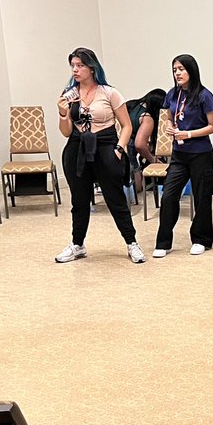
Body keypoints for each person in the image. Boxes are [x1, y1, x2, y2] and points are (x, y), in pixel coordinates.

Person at [54, 48, 145, 265]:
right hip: (77, 147)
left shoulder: (109, 92)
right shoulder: (69, 94)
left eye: (80, 65)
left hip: (105, 146)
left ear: (92, 67)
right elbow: (66, 131)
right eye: (73, 65)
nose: (75, 70)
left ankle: (132, 243)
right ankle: (77, 244)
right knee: (79, 199)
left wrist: (120, 149)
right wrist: (62, 112)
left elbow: (126, 125)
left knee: (115, 198)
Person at [155, 54, 213, 257]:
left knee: (202, 197)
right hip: (179, 154)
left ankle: (201, 239)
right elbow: (168, 117)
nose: (178, 73)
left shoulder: (204, 95)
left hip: (201, 153)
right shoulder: (172, 94)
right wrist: (170, 127)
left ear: (191, 70)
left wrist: (188, 134)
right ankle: (163, 242)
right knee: (169, 196)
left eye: (181, 69)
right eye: (174, 70)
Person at [125, 88, 166, 196]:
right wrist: (152, 159)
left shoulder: (130, 105)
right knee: (134, 168)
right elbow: (139, 145)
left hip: (113, 146)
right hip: (129, 149)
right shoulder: (147, 118)